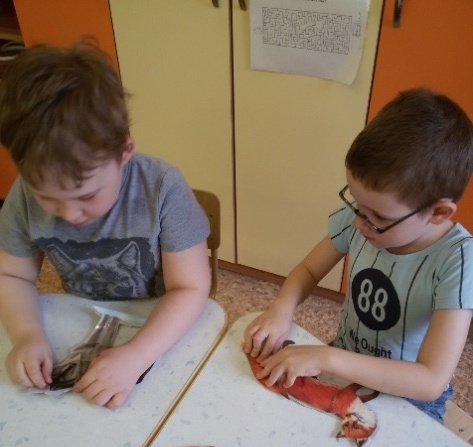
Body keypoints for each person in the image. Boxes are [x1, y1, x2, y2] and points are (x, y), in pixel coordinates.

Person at [0, 41, 211, 409]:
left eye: (86, 195)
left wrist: (137, 353)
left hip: (159, 324)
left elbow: (191, 289)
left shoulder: (163, 187)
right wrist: (26, 334)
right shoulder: (22, 196)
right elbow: (11, 275)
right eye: (47, 197)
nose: (70, 215)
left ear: (124, 152)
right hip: (87, 318)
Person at [244, 88, 473, 423]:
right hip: (345, 361)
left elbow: (430, 380)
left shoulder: (459, 260)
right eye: (355, 202)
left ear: (438, 213)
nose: (358, 221)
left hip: (409, 398)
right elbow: (308, 270)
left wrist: (327, 358)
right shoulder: (364, 216)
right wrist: (281, 309)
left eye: (377, 216)